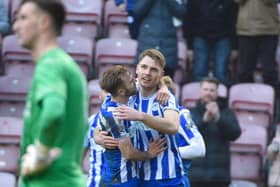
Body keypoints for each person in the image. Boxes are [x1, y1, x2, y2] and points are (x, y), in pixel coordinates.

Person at [13, 0, 88, 187]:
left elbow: (53, 111)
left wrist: (41, 152)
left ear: (44, 22)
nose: (16, 26)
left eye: (23, 18)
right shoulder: (66, 64)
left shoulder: (50, 64)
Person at [114, 49, 185, 186]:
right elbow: (104, 113)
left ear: (161, 74)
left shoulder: (165, 97)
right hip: (136, 176)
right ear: (137, 69)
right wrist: (98, 137)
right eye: (144, 67)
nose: (147, 73)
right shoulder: (125, 92)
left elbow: (173, 126)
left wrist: (141, 116)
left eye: (153, 70)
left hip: (166, 177)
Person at [95, 65, 167, 187]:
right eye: (130, 81)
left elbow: (152, 78)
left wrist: (164, 87)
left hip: (127, 178)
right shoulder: (115, 114)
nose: (135, 80)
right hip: (119, 180)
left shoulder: (115, 98)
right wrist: (149, 153)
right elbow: (128, 153)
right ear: (121, 91)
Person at [188, 77, 241, 187]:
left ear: (217, 92)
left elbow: (235, 134)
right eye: (206, 89)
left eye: (212, 90)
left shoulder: (227, 112)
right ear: (200, 91)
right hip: (194, 175)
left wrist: (218, 119)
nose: (208, 93)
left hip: (219, 176)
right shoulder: (190, 112)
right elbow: (185, 135)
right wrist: (204, 121)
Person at [161, 75, 206, 187]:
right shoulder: (145, 114)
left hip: (176, 180)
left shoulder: (181, 115)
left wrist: (166, 154)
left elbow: (199, 149)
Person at [183, 0, 238, 86]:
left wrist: (234, 46)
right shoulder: (193, 2)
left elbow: (233, 24)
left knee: (221, 73)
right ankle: (200, 98)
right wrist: (189, 47)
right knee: (199, 72)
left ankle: (220, 98)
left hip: (223, 38)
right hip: (200, 37)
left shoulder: (228, 2)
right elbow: (188, 22)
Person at [133, 0, 186, 78]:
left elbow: (181, 12)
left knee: (166, 85)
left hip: (168, 47)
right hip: (147, 43)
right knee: (142, 83)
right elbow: (138, 10)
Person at [236, 0, 279, 88]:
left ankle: (272, 98)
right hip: (246, 30)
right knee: (244, 71)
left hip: (269, 30)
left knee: (269, 70)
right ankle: (245, 98)